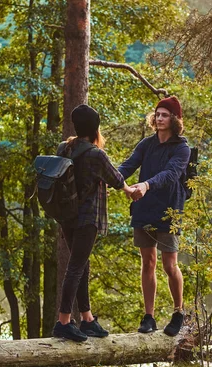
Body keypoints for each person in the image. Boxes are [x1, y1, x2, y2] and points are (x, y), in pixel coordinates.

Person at [52, 104, 135, 342]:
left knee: (81, 264)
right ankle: (64, 322)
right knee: (76, 267)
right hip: (87, 219)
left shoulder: (64, 148)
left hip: (67, 216)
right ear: (95, 129)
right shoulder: (96, 154)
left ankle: (87, 319)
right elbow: (116, 179)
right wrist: (131, 191)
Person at [118, 96, 190, 337]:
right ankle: (149, 316)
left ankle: (178, 312)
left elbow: (170, 174)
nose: (159, 119)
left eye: (165, 115)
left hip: (170, 209)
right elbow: (128, 166)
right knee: (147, 262)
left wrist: (146, 185)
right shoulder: (146, 144)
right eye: (157, 114)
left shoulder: (182, 148)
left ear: (174, 119)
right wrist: (109, 177)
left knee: (170, 265)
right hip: (144, 207)